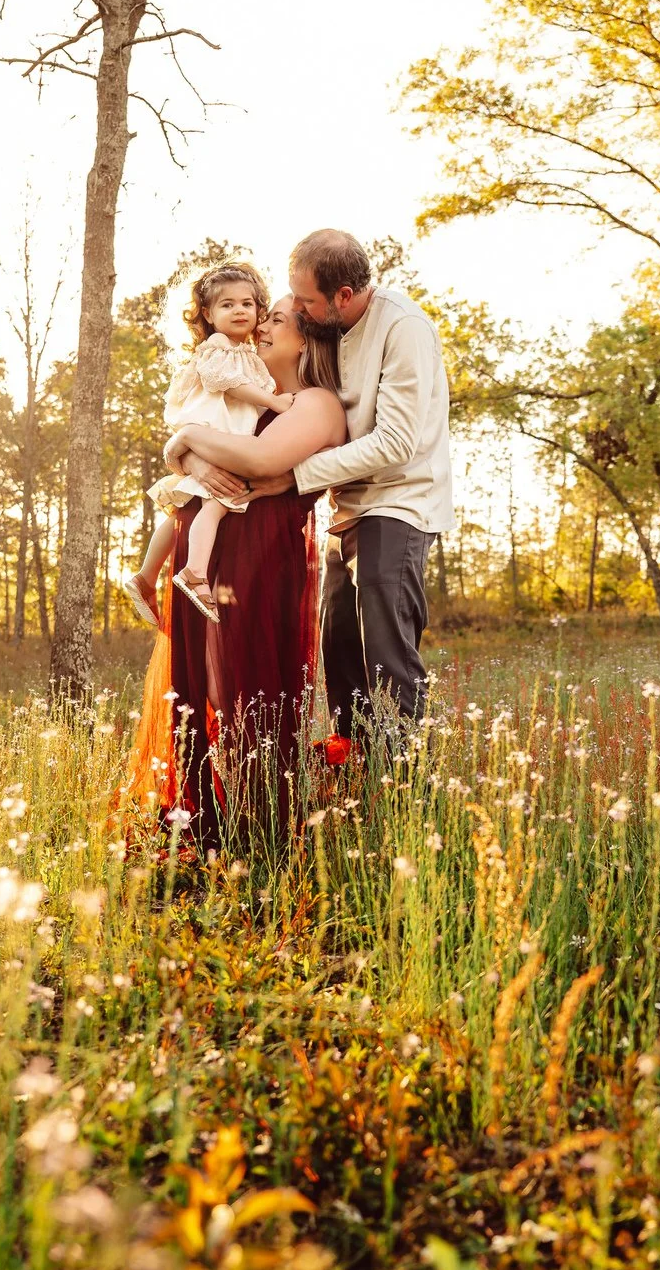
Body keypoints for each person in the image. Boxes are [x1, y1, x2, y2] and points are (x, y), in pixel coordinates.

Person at [167, 230, 454, 740]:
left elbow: (394, 444)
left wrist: (291, 479)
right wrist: (186, 447)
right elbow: (231, 433)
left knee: (384, 656)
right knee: (340, 653)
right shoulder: (320, 340)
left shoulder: (401, 328)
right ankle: (352, 776)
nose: (290, 310)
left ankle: (403, 793)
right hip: (348, 511)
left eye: (302, 302)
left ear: (342, 295)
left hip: (398, 504)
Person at [125, 294, 345, 837]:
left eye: (275, 319)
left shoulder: (314, 401)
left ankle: (260, 824)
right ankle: (200, 820)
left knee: (248, 693)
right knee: (199, 689)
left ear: (306, 338)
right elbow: (193, 461)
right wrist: (190, 451)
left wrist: (186, 441)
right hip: (208, 549)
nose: (261, 326)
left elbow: (257, 463)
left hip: (261, 557)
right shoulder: (244, 403)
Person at [123, 262, 289, 628]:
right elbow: (224, 382)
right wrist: (276, 402)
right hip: (214, 429)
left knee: (185, 508)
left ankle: (145, 577)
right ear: (209, 315)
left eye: (247, 303)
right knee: (215, 505)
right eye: (227, 305)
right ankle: (194, 572)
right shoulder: (219, 348)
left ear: (259, 309)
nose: (239, 311)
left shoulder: (243, 352)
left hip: (218, 432)